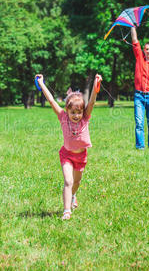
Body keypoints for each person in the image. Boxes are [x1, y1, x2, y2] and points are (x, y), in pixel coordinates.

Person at [35, 74, 102, 220]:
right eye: (73, 112)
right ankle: (66, 211)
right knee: (68, 181)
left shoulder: (85, 118)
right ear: (67, 110)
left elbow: (91, 103)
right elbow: (51, 100)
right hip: (66, 155)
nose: (76, 115)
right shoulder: (63, 117)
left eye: (79, 112)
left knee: (76, 182)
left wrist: (96, 86)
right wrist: (41, 83)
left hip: (81, 156)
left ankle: (73, 196)